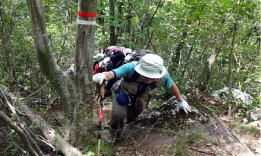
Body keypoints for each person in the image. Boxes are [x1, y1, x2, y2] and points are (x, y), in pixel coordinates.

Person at [93, 53, 191, 138]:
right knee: (119, 114)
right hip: (123, 91)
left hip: (142, 95)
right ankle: (114, 134)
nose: (148, 79)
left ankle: (126, 125)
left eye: (151, 77)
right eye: (145, 76)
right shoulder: (130, 67)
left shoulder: (163, 76)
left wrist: (180, 100)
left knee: (134, 113)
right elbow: (113, 73)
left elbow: (172, 86)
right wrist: (103, 75)